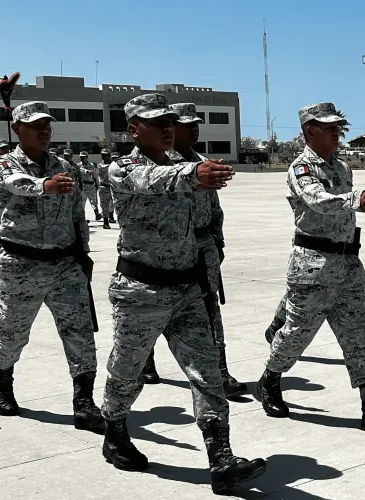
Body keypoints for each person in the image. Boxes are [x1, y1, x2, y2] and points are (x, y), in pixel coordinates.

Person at [99, 94, 265, 493]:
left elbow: (207, 215)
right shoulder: (122, 168)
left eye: (171, 120)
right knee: (128, 371)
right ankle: (115, 432)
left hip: (187, 288)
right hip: (140, 290)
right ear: (134, 129)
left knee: (207, 374)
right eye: (158, 122)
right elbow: (151, 181)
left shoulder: (185, 166)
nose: (168, 127)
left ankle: (221, 459)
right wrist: (194, 175)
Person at [257, 102, 365, 435]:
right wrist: (356, 199)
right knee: (296, 335)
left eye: (338, 127)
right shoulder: (301, 168)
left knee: (360, 336)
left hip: (347, 265)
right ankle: (269, 380)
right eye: (329, 127)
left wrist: (355, 198)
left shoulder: (343, 169)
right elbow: (316, 200)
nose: (337, 132)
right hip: (313, 266)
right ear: (309, 132)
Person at [0, 101, 104, 435]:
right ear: (17, 129)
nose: (43, 131)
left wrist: (84, 253)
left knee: (81, 336)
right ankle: (2, 383)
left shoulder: (64, 166)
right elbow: (16, 183)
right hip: (21, 264)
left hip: (65, 265)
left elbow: (77, 213)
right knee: (12, 334)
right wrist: (45, 186)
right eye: (35, 125)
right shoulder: (3, 164)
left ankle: (84, 404)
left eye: (47, 125)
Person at [166, 101, 245, 398]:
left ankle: (221, 372)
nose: (195, 128)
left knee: (211, 309)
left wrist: (217, 241)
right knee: (159, 313)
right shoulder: (162, 164)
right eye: (188, 124)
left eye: (196, 123)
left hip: (202, 248)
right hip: (170, 252)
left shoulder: (203, 162)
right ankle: (145, 362)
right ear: (172, 128)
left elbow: (215, 209)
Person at [79, 151, 102, 221]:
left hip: (91, 185)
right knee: (82, 202)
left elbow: (95, 176)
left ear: (87, 157)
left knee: (94, 202)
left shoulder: (92, 165)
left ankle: (97, 214)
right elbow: (80, 171)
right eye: (81, 157)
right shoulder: (78, 165)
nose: (82, 158)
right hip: (83, 185)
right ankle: (82, 218)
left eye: (83, 157)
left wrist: (97, 185)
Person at [0, 140, 11, 230]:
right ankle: (1, 240)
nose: (5, 150)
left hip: (12, 195)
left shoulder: (13, 160)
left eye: (7, 148)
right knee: (1, 219)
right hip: (1, 195)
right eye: (3, 148)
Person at [98, 148, 116, 229]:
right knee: (104, 205)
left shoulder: (115, 164)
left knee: (116, 205)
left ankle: (113, 218)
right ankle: (105, 222)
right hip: (104, 187)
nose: (103, 156)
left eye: (105, 155)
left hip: (113, 188)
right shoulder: (100, 165)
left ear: (109, 156)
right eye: (102, 155)